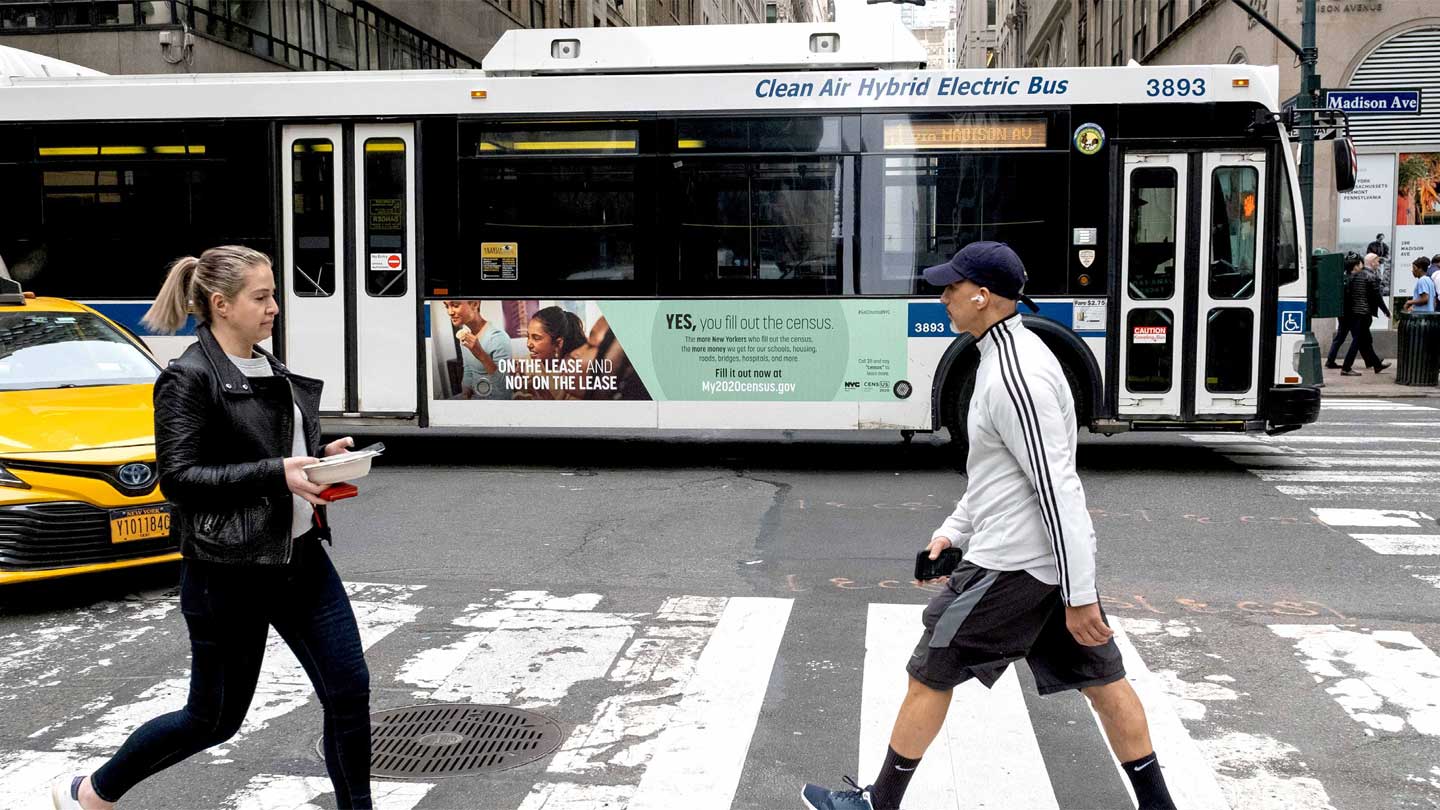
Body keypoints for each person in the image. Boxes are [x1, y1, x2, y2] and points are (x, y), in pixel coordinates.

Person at [801, 242, 1177, 810]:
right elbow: (996, 474)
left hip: (1015, 568)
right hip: (1043, 567)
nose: (943, 296)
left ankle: (878, 806)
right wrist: (954, 530)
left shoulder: (1014, 374)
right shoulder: (1003, 355)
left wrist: (1078, 596)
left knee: (930, 670)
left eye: (952, 287)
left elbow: (1058, 489)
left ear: (983, 296)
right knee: (1103, 682)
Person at [52, 246, 374, 810]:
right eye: (262, 296)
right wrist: (279, 472)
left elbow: (272, 452)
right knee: (212, 720)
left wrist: (319, 458)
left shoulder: (267, 364)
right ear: (221, 305)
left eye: (273, 294)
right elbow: (179, 478)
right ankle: (92, 792)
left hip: (299, 560)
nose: (275, 307)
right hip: (228, 573)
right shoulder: (188, 378)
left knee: (349, 692)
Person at [444, 299, 512, 400]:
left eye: (455, 305)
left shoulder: (499, 338)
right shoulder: (465, 335)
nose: (450, 312)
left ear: (475, 304)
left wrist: (481, 354)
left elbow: (504, 389)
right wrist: (465, 396)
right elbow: (468, 370)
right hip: (474, 397)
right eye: (446, 306)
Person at [518, 306, 586, 400]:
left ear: (558, 343)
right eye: (528, 336)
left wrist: (546, 397)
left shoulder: (576, 373)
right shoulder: (526, 364)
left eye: (536, 338)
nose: (528, 344)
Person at [1341, 252, 1392, 376]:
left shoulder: (1353, 277)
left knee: (1365, 340)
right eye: (1377, 261)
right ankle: (1346, 367)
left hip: (1354, 313)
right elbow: (1377, 297)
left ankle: (1376, 364)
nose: (1378, 264)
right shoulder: (1370, 277)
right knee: (1358, 340)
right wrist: (1386, 311)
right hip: (1363, 313)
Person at [1326, 253, 1358, 369]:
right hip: (1350, 313)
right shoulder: (1351, 280)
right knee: (1357, 337)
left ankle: (1330, 359)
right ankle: (1374, 361)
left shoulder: (1342, 279)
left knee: (1343, 336)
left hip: (1343, 312)